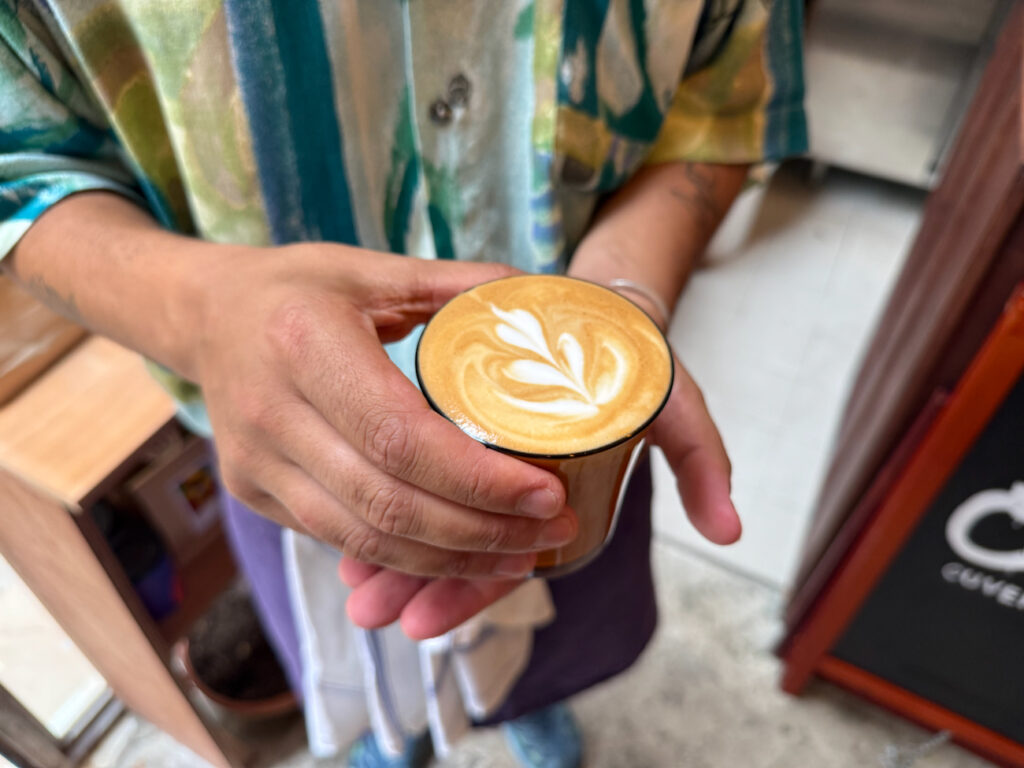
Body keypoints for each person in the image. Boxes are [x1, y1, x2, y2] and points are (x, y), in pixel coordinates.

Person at [1, 0, 806, 765]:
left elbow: (729, 83)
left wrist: (628, 293)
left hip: (589, 434)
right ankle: (392, 730)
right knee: (366, 628)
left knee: (551, 618)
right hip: (287, 436)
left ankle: (524, 705)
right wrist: (205, 313)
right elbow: (21, 161)